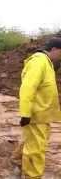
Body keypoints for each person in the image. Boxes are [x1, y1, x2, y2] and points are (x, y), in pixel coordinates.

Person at [19, 37, 61, 178]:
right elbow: (28, 88)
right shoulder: (39, 61)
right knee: (36, 150)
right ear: (54, 49)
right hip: (36, 115)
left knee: (32, 142)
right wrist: (25, 114)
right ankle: (32, 176)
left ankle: (17, 162)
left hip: (42, 115)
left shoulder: (45, 62)